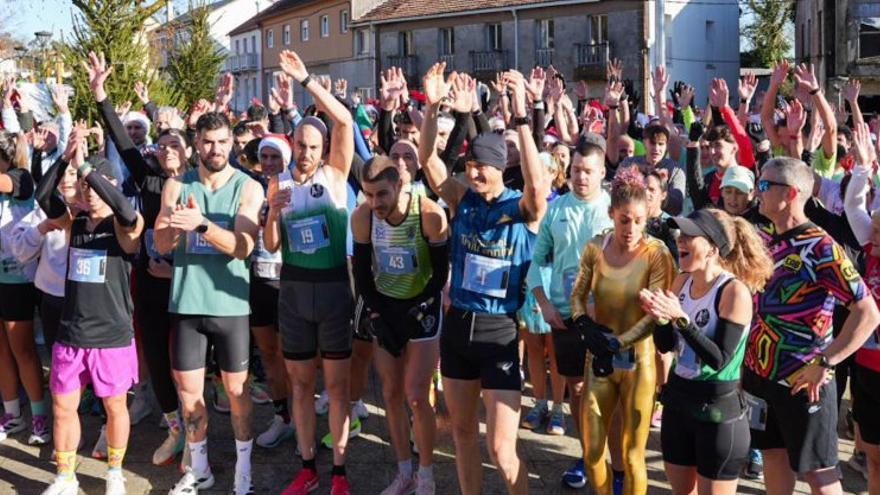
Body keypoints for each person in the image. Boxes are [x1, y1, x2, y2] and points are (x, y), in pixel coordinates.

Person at [418, 63, 547, 495]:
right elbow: (428, 161)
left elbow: (537, 186)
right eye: (470, 165)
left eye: (482, 167)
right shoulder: (462, 199)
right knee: (460, 435)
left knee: (501, 449)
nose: (473, 173)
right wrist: (432, 108)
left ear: (500, 168)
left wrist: (523, 117)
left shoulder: (521, 209)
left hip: (499, 333)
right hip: (458, 329)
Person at [745, 156, 880, 495]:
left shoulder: (821, 247)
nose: (757, 191)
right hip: (761, 373)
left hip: (804, 379)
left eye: (765, 185)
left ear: (790, 193)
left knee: (819, 474)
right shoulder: (766, 236)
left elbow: (867, 312)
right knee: (773, 454)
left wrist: (826, 362)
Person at [83, 51, 192, 465]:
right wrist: (101, 95)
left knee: (189, 365)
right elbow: (123, 140)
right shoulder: (147, 178)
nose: (166, 150)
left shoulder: (200, 182)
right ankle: (176, 429)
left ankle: (196, 436)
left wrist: (176, 269)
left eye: (174, 144)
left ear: (188, 150)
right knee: (158, 360)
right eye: (161, 145)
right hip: (149, 281)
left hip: (189, 284)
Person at [154, 109, 264, 495]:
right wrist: (174, 225)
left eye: (221, 142)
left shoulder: (248, 187)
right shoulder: (176, 185)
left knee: (237, 394)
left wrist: (201, 224)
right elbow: (161, 244)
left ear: (232, 143)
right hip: (187, 303)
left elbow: (243, 246)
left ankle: (244, 471)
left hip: (230, 306)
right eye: (207, 142)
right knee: (189, 395)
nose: (215, 149)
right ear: (196, 145)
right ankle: (199, 469)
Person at [262, 49, 355, 495]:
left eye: (313, 147)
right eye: (300, 145)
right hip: (295, 291)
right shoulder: (279, 183)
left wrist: (306, 81)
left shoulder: (335, 176)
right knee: (300, 386)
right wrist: (271, 212)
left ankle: (339, 473)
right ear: (292, 145)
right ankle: (306, 468)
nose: (305, 153)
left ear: (323, 150)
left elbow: (345, 122)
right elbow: (271, 246)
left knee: (336, 388)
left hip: (333, 290)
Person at [38, 124, 144, 495]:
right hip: (72, 333)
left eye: (98, 185)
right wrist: (65, 159)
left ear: (112, 185)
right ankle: (66, 476)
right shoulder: (76, 221)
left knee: (115, 407)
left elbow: (124, 208)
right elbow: (43, 195)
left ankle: (114, 472)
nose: (90, 191)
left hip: (111, 335)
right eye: (85, 186)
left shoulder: (126, 225)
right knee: (62, 406)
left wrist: (86, 168)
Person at [640, 208, 773, 495]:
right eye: (680, 234)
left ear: (712, 248)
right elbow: (666, 346)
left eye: (690, 236)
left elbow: (718, 359)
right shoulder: (681, 281)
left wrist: (680, 319)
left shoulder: (734, 292)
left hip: (718, 412)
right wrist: (659, 317)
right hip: (679, 402)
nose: (680, 240)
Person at [569, 166, 675, 495]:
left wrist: (617, 342)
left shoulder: (656, 254)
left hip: (638, 362)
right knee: (591, 452)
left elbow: (655, 315)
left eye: (639, 221)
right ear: (611, 214)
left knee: (632, 455)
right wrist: (583, 324)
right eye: (624, 220)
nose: (631, 229)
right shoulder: (594, 248)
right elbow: (577, 294)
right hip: (599, 358)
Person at [350, 156, 448, 494]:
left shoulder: (430, 214)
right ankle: (404, 471)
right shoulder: (363, 216)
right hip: (386, 305)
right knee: (390, 393)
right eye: (368, 194)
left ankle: (426, 475)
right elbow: (362, 275)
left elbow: (440, 275)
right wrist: (378, 315)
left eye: (382, 194)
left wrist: (413, 313)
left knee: (417, 395)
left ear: (399, 185)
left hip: (422, 305)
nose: (375, 203)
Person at [526, 132, 612, 489]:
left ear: (602, 172)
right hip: (565, 316)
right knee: (576, 390)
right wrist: (544, 303)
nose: (581, 177)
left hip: (607, 317)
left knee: (608, 390)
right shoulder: (556, 208)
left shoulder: (613, 210)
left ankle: (615, 460)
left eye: (588, 171)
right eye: (576, 170)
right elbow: (535, 262)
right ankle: (588, 454)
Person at [0, 126, 46, 445]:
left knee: (23, 350)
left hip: (18, 278)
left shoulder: (21, 178)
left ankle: (39, 418)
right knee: (1, 350)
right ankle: (12, 413)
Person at [248, 134, 294, 450]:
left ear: (286, 160)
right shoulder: (251, 188)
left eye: (274, 157)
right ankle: (282, 416)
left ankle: (301, 414)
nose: (268, 163)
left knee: (291, 355)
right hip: (257, 280)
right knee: (268, 353)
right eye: (263, 156)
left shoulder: (294, 189)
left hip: (287, 281)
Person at [842, 123, 880, 494]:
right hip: (866, 367)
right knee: (872, 457)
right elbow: (854, 205)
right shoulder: (871, 247)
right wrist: (863, 168)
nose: (874, 232)